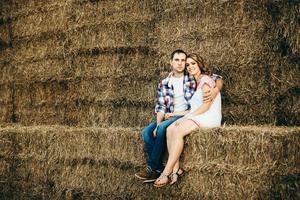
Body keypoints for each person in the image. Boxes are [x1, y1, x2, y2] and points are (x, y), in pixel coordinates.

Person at [135, 50, 223, 183]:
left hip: (187, 113)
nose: (182, 64)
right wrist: (158, 124)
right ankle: (161, 167)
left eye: (184, 61)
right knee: (147, 133)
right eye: (177, 60)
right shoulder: (165, 83)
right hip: (172, 114)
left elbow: (217, 78)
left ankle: (152, 168)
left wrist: (216, 89)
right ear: (171, 62)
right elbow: (161, 107)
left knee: (164, 129)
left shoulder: (192, 77)